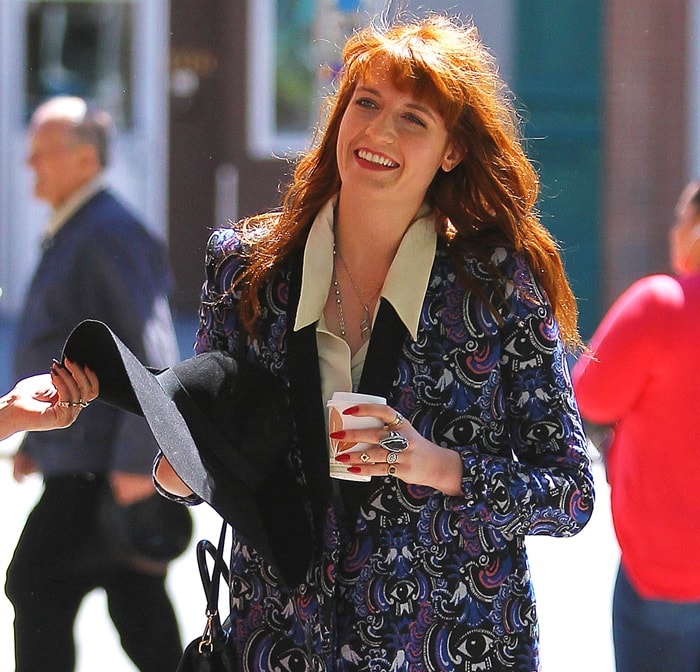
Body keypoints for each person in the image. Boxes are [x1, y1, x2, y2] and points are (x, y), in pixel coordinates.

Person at [0, 17, 595, 672]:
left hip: (451, 650)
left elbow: (569, 493)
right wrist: (179, 475)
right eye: (365, 103)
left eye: (412, 119)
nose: (377, 131)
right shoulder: (244, 268)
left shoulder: (497, 284)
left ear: (451, 150)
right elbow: (212, 441)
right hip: (277, 649)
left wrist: (430, 462)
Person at [4, 96, 185, 672]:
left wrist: (138, 462)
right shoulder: (80, 227)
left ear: (85, 160)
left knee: (35, 583)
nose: (30, 165)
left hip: (105, 467)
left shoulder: (108, 233)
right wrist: (36, 442)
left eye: (43, 154)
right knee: (135, 605)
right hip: (84, 460)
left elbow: (150, 351)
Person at [572, 181, 700, 672]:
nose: (673, 231)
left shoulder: (661, 304)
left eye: (679, 219)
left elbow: (590, 396)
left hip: (663, 578)